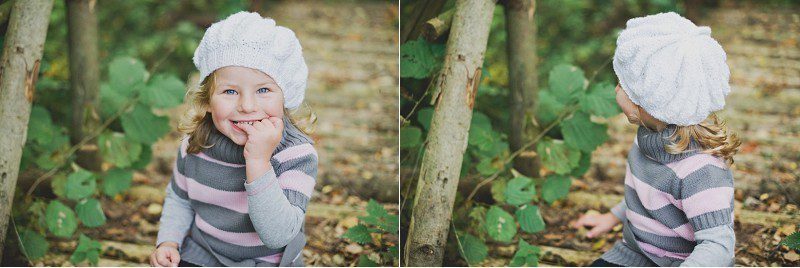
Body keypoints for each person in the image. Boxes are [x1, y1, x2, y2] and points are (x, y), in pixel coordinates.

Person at [572, 12, 741, 267]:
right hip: (636, 254)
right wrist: (612, 217)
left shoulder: (702, 173)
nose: (616, 89)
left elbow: (718, 246)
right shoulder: (650, 139)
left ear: (650, 103)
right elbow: (650, 193)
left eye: (623, 85)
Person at [149, 11, 317, 267]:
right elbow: (179, 199)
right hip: (203, 255)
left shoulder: (295, 154)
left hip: (265, 261)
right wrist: (169, 241)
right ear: (206, 100)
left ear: (285, 96)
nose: (247, 106)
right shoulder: (195, 145)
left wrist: (259, 161)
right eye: (230, 91)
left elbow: (278, 235)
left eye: (263, 90)